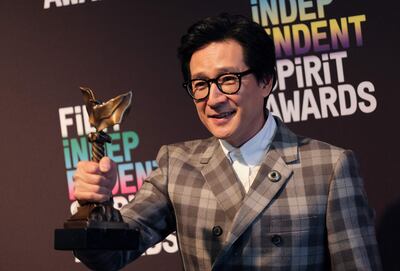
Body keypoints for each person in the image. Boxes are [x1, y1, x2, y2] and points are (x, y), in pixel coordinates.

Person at [73, 13, 382, 270]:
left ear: (266, 81)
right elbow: (111, 255)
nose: (214, 98)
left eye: (228, 80)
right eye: (201, 84)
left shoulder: (328, 166)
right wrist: (93, 207)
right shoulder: (177, 164)